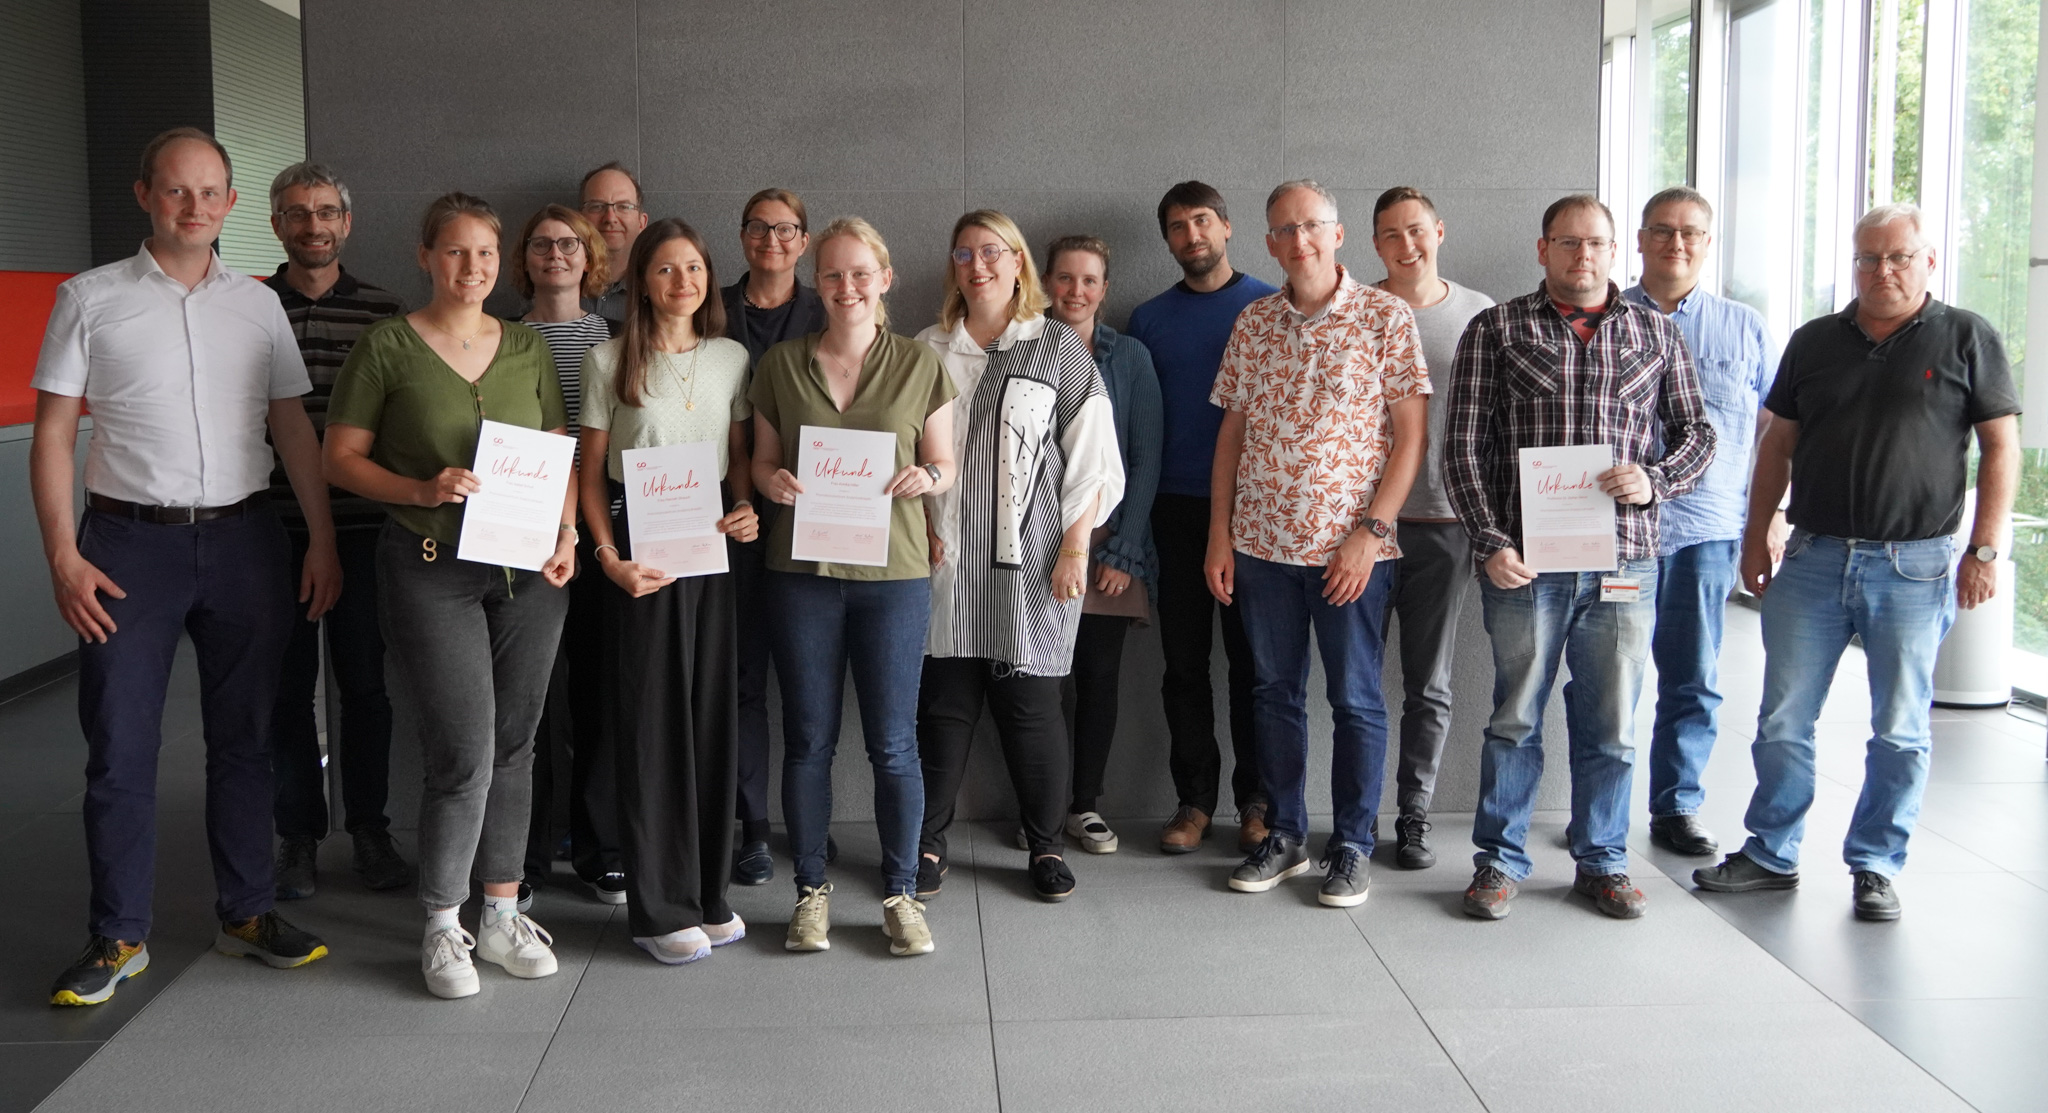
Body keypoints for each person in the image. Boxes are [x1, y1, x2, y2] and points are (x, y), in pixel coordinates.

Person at [35, 128, 335, 1007]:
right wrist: (62, 552)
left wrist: (317, 537)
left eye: (210, 193)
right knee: (120, 745)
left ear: (233, 204)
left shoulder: (257, 305)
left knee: (248, 737)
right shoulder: (88, 299)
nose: (194, 207)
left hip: (246, 540)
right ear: (144, 195)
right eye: (176, 191)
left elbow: (293, 428)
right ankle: (118, 933)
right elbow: (53, 434)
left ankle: (246, 912)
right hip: (128, 548)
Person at [1694, 203, 2021, 922]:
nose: (1883, 271)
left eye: (1899, 257)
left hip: (1916, 567)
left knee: (1900, 728)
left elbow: (2002, 447)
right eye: (1869, 258)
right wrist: (1757, 534)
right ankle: (1772, 851)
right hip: (1812, 557)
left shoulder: (1967, 336)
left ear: (1928, 261)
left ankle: (1875, 863)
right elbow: (1777, 444)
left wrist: (1986, 547)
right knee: (1782, 718)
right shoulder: (1815, 341)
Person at [325, 192, 578, 999]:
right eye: (457, 253)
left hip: (528, 573)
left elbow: (557, 448)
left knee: (515, 743)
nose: (472, 268)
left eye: (485, 255)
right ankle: (443, 924)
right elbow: (340, 458)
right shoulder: (387, 346)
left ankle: (501, 912)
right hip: (430, 565)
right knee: (462, 751)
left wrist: (568, 533)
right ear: (427, 256)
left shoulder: (528, 346)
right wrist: (421, 485)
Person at [1447, 193, 1714, 922]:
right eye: (1568, 243)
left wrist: (1654, 479)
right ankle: (1498, 862)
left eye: (1595, 243)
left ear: (1615, 248)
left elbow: (1698, 431)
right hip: (1524, 567)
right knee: (1514, 718)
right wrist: (1490, 541)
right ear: (1543, 249)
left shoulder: (1655, 334)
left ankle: (1603, 861)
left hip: (1624, 563)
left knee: (1613, 721)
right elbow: (1464, 449)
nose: (1583, 256)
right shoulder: (1496, 329)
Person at [1208, 181, 1428, 908]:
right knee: (1272, 692)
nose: (1299, 240)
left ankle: (1354, 845)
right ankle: (1286, 835)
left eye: (1312, 226)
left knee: (1357, 698)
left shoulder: (1384, 317)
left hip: (1350, 554)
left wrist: (1370, 534)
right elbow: (1232, 437)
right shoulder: (1253, 323)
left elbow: (1409, 439)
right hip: (1263, 548)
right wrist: (1220, 534)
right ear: (1268, 243)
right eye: (1284, 230)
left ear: (1336, 235)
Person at [751, 217, 956, 955]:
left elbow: (945, 462)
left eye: (860, 273)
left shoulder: (920, 364)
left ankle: (901, 893)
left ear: (885, 278)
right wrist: (770, 479)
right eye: (833, 274)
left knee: (894, 745)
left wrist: (927, 475)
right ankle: (810, 891)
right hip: (800, 577)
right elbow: (759, 463)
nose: (847, 287)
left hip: (894, 576)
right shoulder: (778, 364)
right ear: (818, 282)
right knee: (807, 740)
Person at [914, 211, 1123, 903]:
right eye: (965, 252)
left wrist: (1075, 545)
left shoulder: (1056, 347)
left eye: (993, 252)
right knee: (943, 710)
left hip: (1028, 567)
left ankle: (1045, 846)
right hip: (940, 561)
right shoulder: (926, 349)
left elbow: (1093, 460)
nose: (979, 265)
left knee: (1032, 709)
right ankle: (928, 841)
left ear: (1018, 263)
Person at [579, 219, 760, 963]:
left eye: (693, 267)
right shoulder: (608, 358)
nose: (681, 281)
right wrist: (607, 556)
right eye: (664, 269)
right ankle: (658, 909)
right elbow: (587, 473)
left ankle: (710, 892)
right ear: (640, 280)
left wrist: (747, 505)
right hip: (640, 545)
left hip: (711, 540)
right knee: (653, 723)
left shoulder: (731, 356)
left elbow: (741, 454)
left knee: (710, 712)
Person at [260, 161, 412, 899]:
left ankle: (371, 831)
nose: (313, 225)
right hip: (269, 528)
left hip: (363, 527)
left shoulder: (385, 312)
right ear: (275, 224)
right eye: (297, 212)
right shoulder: (247, 307)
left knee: (365, 686)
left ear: (346, 223)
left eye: (325, 212)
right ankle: (297, 835)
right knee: (285, 689)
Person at [1620, 186, 1780, 858]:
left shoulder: (1746, 328)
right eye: (1662, 230)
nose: (1675, 244)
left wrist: (1767, 522)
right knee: (1610, 674)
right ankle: (1598, 805)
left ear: (1708, 244)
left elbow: (1776, 428)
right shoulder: (1600, 317)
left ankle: (1677, 806)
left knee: (1692, 676)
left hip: (1706, 535)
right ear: (1640, 239)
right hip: (1616, 536)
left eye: (1690, 233)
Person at [1126, 181, 1279, 855]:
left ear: (1226, 226)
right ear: (1167, 240)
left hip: (1258, 515)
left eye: (1202, 222)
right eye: (1178, 227)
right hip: (1173, 510)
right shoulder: (1149, 319)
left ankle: (1258, 800)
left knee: (1254, 664)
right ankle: (1194, 800)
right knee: (1183, 664)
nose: (1192, 236)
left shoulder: (1271, 306)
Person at [1368, 187, 1495, 871]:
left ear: (1439, 231)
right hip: (1360, 524)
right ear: (1375, 244)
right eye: (1390, 234)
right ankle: (1356, 810)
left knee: (1431, 682)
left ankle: (1413, 814)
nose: (1406, 245)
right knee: (1353, 682)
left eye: (1416, 231)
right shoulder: (1359, 310)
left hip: (1445, 522)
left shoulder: (1479, 315)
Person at [513, 203, 625, 907]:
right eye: (541, 243)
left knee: (601, 697)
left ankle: (600, 846)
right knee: (533, 704)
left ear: (591, 257)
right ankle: (522, 855)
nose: (556, 254)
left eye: (569, 244)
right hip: (527, 539)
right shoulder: (502, 340)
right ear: (523, 258)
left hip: (603, 532)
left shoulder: (613, 339)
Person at [718, 188, 827, 886]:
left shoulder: (834, 307)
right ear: (742, 235)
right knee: (742, 678)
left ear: (805, 240)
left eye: (786, 229)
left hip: (818, 521)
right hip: (727, 518)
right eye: (759, 227)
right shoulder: (709, 307)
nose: (772, 239)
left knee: (811, 682)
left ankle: (809, 824)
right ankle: (752, 827)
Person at [1045, 235, 1161, 855]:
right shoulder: (1023, 349)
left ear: (1105, 289)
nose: (1076, 292)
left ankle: (1083, 806)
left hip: (1110, 547)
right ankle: (1042, 806)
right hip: (1034, 547)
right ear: (1044, 283)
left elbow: (1145, 462)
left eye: (1089, 281)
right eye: (1064, 279)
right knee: (1038, 684)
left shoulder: (1130, 357)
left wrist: (1122, 554)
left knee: (1096, 677)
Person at [579, 161, 648, 323]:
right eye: (597, 206)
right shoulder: (554, 285)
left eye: (624, 207)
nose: (610, 218)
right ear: (579, 219)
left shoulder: (659, 290)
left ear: (641, 222)